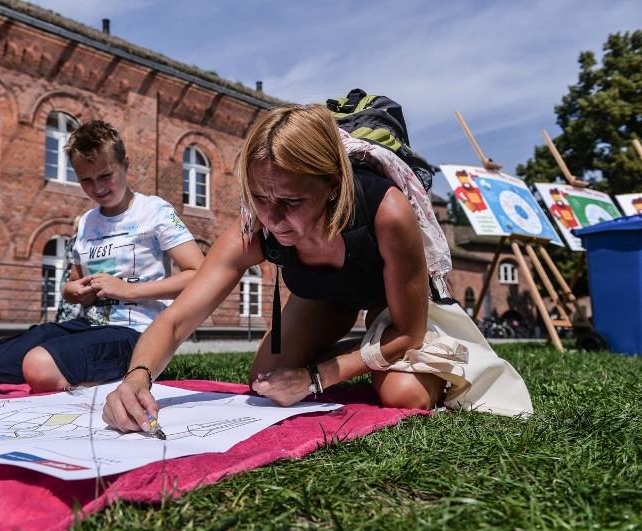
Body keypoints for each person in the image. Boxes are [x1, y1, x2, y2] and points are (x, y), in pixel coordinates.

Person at [102, 103, 533, 435]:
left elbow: (408, 333)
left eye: (291, 202)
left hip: (392, 302)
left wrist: (314, 378)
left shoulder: (385, 210)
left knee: (403, 394)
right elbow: (178, 319)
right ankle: (359, 347)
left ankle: (369, 353)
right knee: (263, 382)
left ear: (332, 185)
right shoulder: (255, 226)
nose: (272, 218)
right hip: (326, 297)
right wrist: (136, 378)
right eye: (260, 198)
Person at [0, 120, 204, 392]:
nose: (97, 188)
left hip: (138, 334)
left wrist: (129, 291)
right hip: (86, 326)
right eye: (85, 181)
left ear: (125, 165)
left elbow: (199, 276)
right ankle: (75, 375)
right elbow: (72, 284)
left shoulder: (154, 211)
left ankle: (98, 384)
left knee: (38, 366)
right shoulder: (87, 222)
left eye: (105, 176)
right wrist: (74, 291)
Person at [55, 215, 82, 323]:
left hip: (67, 274)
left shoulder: (71, 239)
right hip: (75, 272)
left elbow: (66, 259)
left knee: (66, 301)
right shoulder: (80, 239)